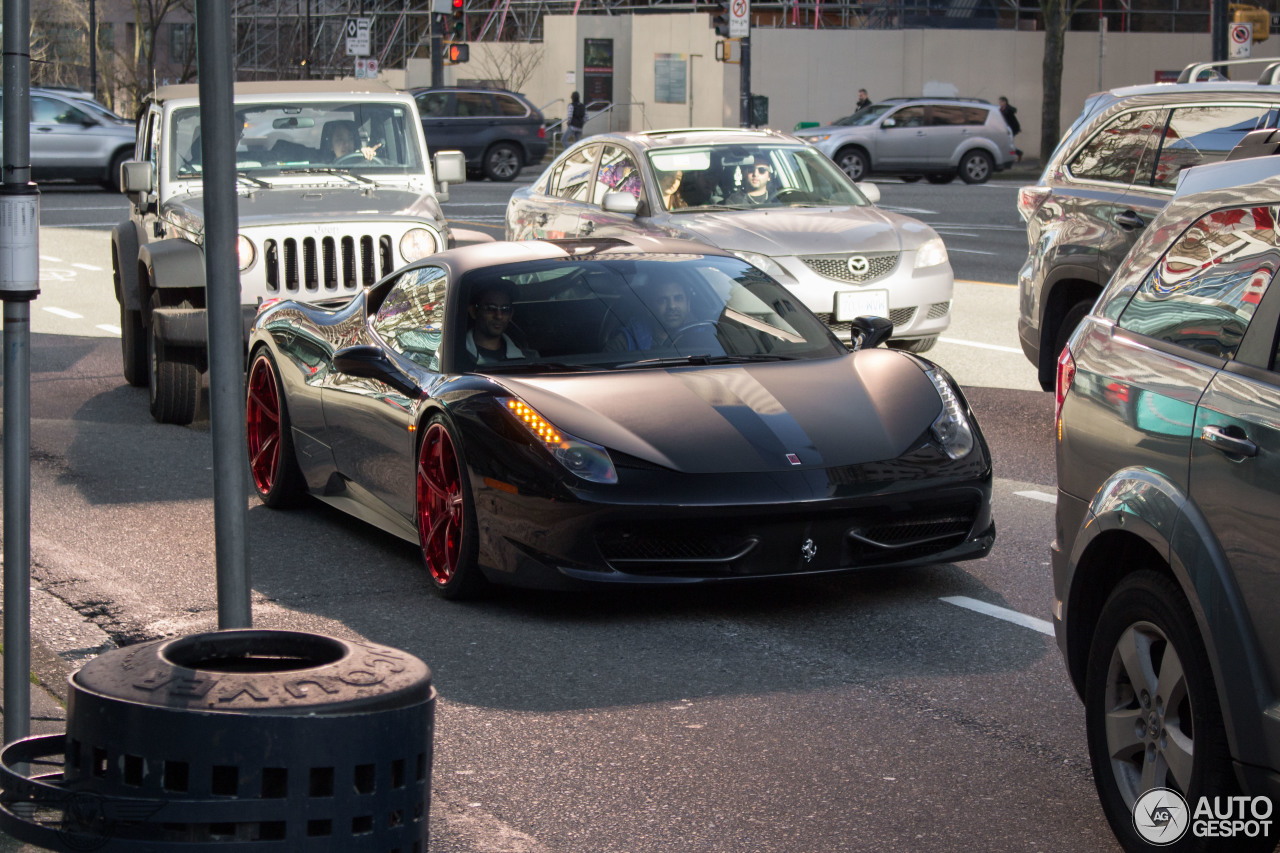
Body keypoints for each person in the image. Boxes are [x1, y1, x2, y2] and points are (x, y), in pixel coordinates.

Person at [458, 282, 534, 370]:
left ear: (511, 315)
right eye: (491, 308)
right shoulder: (452, 354)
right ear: (474, 312)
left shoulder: (528, 359)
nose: (499, 316)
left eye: (505, 309)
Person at [999, 96, 1023, 163]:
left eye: (1001, 102)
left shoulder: (1008, 110)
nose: (999, 103)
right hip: (1007, 130)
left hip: (1012, 130)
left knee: (1008, 144)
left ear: (1005, 102)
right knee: (1007, 144)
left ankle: (1017, 153)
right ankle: (1016, 154)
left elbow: (1012, 119)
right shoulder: (1002, 109)